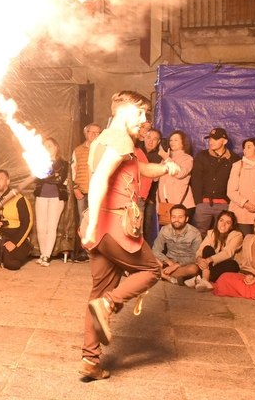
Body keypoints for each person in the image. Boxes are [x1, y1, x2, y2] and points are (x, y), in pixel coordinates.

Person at [79, 91, 181, 381]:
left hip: (100, 231)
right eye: (140, 114)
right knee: (151, 269)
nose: (145, 121)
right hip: (113, 225)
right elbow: (98, 180)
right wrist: (94, 223)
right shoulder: (120, 139)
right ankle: (109, 305)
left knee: (97, 293)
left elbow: (139, 168)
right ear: (123, 113)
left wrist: (164, 168)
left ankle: (90, 360)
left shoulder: (106, 140)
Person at [191, 128, 240, 237]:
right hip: (204, 203)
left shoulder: (234, 159)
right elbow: (196, 179)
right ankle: (199, 254)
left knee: (222, 234)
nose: (211, 142)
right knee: (199, 234)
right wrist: (199, 201)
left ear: (225, 141)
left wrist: (228, 201)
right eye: (210, 139)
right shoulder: (201, 156)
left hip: (224, 205)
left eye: (216, 139)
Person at [33, 138, 70, 266]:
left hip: (56, 197)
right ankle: (43, 254)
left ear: (56, 147)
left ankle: (47, 256)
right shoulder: (38, 162)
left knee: (51, 227)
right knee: (41, 228)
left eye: (49, 146)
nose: (47, 148)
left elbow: (60, 180)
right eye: (45, 146)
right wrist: (52, 175)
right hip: (41, 196)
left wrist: (48, 176)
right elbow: (38, 177)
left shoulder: (63, 164)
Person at [151, 204, 202, 286]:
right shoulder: (165, 230)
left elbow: (195, 256)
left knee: (193, 269)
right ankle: (170, 278)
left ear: (186, 219)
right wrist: (168, 262)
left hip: (184, 264)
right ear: (170, 218)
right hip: (167, 262)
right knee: (148, 256)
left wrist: (177, 265)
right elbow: (156, 250)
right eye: (174, 217)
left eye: (180, 217)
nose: (176, 220)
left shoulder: (194, 233)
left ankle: (161, 274)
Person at [193, 210, 243, 292]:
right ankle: (205, 280)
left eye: (228, 222)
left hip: (226, 264)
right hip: (211, 266)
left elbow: (227, 252)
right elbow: (201, 249)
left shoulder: (237, 235)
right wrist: (199, 259)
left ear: (231, 226)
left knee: (233, 264)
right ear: (217, 221)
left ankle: (200, 279)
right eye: (221, 220)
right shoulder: (211, 233)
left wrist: (209, 260)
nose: (223, 224)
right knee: (207, 249)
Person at [157, 130, 195, 221]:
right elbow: (155, 178)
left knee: (181, 232)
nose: (172, 142)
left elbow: (180, 173)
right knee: (167, 232)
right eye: (171, 140)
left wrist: (166, 158)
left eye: (176, 140)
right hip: (165, 204)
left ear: (183, 143)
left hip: (181, 203)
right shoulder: (165, 159)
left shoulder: (187, 158)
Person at [141, 127, 163, 245]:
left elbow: (158, 181)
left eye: (155, 139)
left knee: (147, 226)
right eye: (148, 137)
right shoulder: (136, 152)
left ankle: (146, 253)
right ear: (144, 137)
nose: (150, 141)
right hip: (133, 196)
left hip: (149, 198)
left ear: (159, 142)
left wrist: (152, 198)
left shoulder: (160, 157)